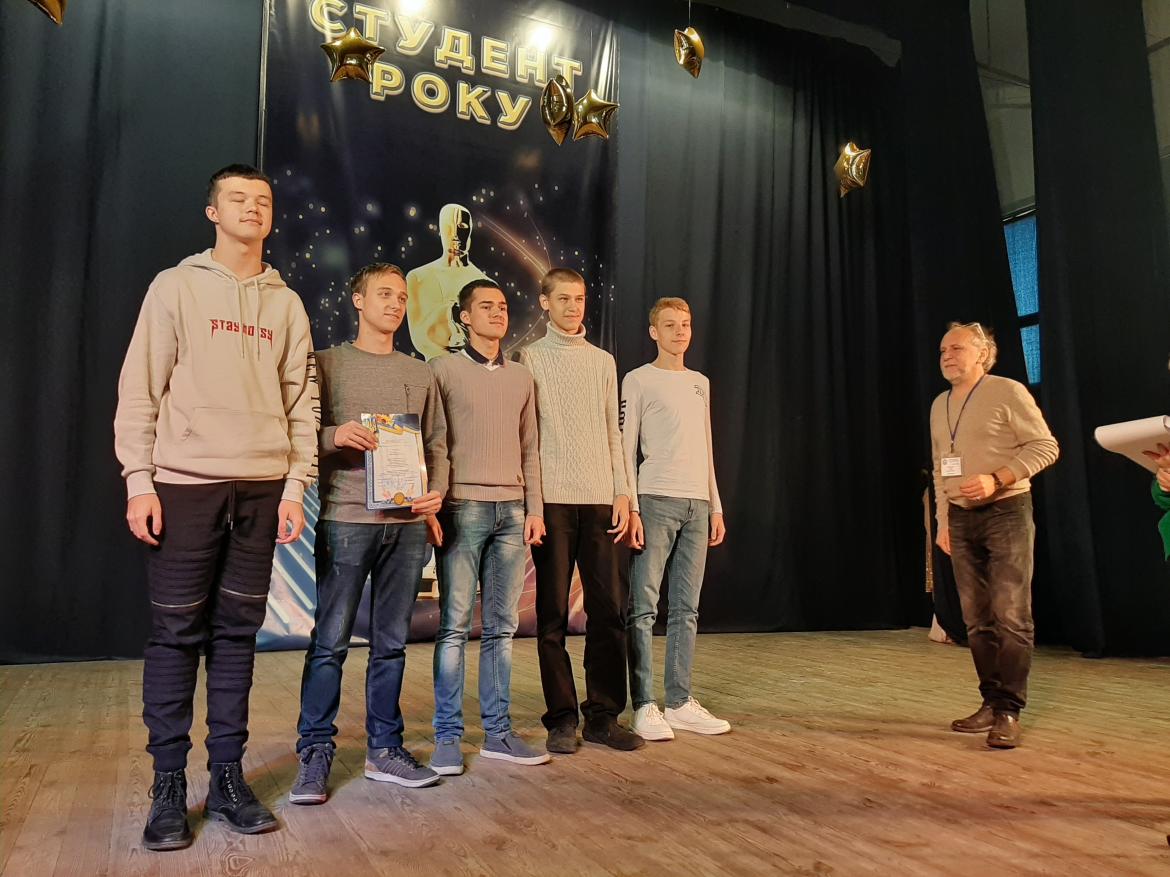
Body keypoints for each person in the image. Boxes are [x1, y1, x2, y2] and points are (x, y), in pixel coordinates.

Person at [115, 164, 318, 850]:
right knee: (176, 634)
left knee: (237, 636)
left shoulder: (286, 304)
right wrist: (139, 481)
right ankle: (169, 785)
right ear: (213, 212)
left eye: (262, 200)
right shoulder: (175, 287)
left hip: (262, 488)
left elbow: (302, 402)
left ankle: (227, 777)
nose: (252, 208)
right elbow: (140, 389)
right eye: (238, 198)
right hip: (185, 485)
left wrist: (295, 486)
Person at [290, 262, 449, 804]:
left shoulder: (420, 372)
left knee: (391, 645)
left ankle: (385, 749)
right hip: (347, 519)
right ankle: (314, 751)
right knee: (330, 642)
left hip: (407, 526)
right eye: (384, 294)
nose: (395, 304)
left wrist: (436, 493)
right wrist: (335, 435)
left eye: (402, 296)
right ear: (357, 300)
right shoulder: (326, 363)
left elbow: (437, 444)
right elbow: (299, 432)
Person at [427, 278, 550, 774]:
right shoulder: (442, 370)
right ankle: (447, 737)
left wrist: (535, 508)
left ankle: (498, 733)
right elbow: (435, 443)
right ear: (464, 317)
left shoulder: (521, 377)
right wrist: (436, 503)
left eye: (502, 306)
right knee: (455, 626)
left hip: (512, 511)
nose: (498, 313)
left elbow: (530, 448)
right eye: (485, 306)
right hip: (463, 506)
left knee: (502, 626)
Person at [518, 268, 643, 754]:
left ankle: (603, 717)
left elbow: (614, 432)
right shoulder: (529, 358)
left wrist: (623, 493)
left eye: (580, 298)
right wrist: (534, 502)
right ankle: (562, 719)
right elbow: (529, 438)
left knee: (608, 612)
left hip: (600, 500)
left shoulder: (602, 361)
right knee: (551, 615)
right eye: (564, 299)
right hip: (552, 501)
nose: (574, 307)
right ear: (544, 303)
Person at [931, 321, 1058, 749]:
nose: (947, 356)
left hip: (1006, 511)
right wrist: (942, 521)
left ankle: (1009, 711)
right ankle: (990, 701)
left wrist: (997, 478)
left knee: (1010, 614)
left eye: (956, 348)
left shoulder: (1007, 391)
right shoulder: (939, 404)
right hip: (961, 518)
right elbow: (940, 466)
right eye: (943, 350)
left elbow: (1045, 446)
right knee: (975, 618)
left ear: (983, 353)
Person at [621, 297, 730, 742]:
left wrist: (715, 504)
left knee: (687, 608)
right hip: (655, 499)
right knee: (643, 608)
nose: (680, 331)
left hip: (697, 504)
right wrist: (631, 506)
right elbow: (625, 448)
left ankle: (680, 702)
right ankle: (644, 704)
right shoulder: (638, 380)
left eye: (685, 324)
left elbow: (706, 446)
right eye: (670, 325)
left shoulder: (700, 383)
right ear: (654, 332)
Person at [405, 204, 488, 360]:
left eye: (461, 227)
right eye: (448, 226)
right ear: (441, 230)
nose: (455, 234)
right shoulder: (418, 278)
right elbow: (419, 338)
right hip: (433, 369)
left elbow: (489, 338)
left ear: (470, 230)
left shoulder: (486, 284)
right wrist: (450, 313)